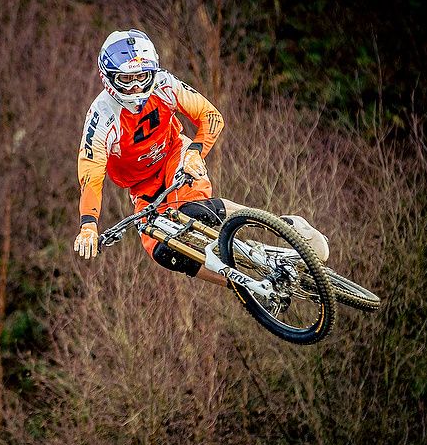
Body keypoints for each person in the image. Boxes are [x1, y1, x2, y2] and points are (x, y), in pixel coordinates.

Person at [73, 29, 328, 286]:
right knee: (164, 252)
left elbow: (211, 116)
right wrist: (88, 224)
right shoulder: (101, 116)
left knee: (191, 210)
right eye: (126, 79)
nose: (136, 86)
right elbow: (91, 177)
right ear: (108, 79)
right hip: (142, 188)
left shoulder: (164, 84)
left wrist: (195, 153)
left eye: (141, 76)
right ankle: (247, 287)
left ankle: (287, 228)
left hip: (176, 155)